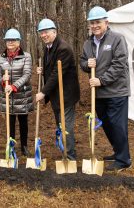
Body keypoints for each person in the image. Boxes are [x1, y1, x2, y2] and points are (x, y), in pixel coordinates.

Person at [80, 6, 131, 172]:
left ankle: (124, 160)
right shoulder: (88, 44)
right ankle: (118, 151)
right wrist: (86, 64)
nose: (94, 26)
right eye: (92, 23)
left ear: (106, 22)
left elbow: (119, 65)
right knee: (107, 124)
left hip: (117, 91)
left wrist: (101, 80)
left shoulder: (117, 39)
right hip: (99, 93)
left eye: (98, 22)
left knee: (117, 124)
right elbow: (82, 62)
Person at [35, 18, 80, 161]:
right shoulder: (48, 47)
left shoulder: (63, 48)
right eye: (41, 33)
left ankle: (70, 157)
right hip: (56, 95)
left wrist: (43, 92)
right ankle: (65, 153)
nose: (43, 35)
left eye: (46, 32)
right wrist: (42, 71)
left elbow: (56, 74)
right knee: (60, 126)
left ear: (54, 32)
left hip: (66, 95)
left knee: (65, 127)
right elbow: (51, 70)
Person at [0, 28, 33, 156]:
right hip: (7, 96)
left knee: (23, 122)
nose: (10, 42)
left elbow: (27, 74)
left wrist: (13, 86)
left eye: (13, 40)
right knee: (9, 123)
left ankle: (24, 146)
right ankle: (11, 146)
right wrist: (2, 80)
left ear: (18, 42)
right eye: (8, 40)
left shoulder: (26, 56)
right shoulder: (1, 57)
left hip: (21, 95)